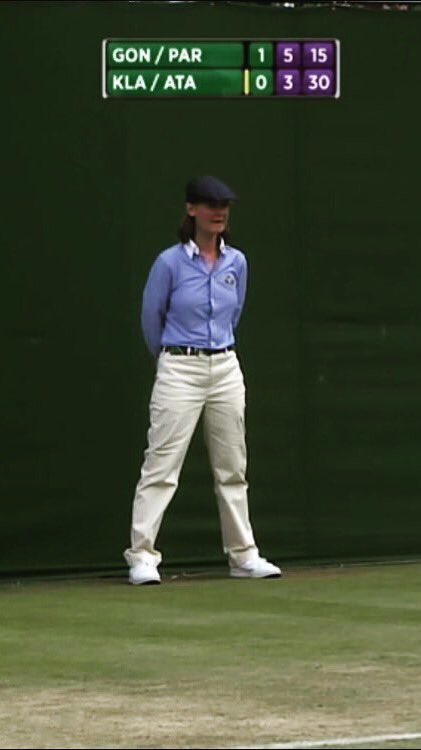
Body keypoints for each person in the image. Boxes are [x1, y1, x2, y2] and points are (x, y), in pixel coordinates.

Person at [124, 175, 282, 585]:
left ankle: (243, 555)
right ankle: (142, 556)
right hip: (179, 366)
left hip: (226, 367)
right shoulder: (169, 263)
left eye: (224, 205)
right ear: (191, 210)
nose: (219, 212)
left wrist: (216, 353)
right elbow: (150, 318)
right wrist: (171, 359)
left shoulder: (237, 263)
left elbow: (235, 312)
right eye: (210, 205)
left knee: (232, 467)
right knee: (161, 465)